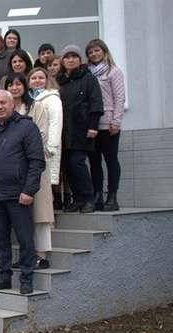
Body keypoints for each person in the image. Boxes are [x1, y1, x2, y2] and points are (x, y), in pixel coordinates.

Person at [0, 90, 45, 295]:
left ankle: (26, 278)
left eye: (3, 103)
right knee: (0, 240)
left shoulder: (27, 127)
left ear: (12, 104)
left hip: (19, 196)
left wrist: (29, 190)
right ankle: (3, 277)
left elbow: (36, 162)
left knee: (25, 239)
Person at [7, 73, 54, 270]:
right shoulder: (6, 109)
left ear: (25, 86)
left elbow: (41, 134)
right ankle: (26, 254)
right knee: (20, 214)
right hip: (14, 169)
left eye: (18, 84)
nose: (15, 87)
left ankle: (41, 255)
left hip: (35, 164)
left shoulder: (37, 107)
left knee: (40, 213)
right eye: (11, 84)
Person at [58, 45, 103, 213]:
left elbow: (96, 102)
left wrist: (93, 125)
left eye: (74, 56)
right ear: (62, 61)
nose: (70, 60)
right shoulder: (60, 81)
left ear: (80, 60)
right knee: (68, 166)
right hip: (65, 131)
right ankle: (78, 199)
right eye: (67, 57)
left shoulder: (89, 78)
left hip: (82, 129)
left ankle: (88, 198)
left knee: (77, 163)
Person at [29, 67, 63, 267]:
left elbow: (56, 124)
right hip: (30, 158)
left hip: (45, 153)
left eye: (41, 77)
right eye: (33, 77)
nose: (37, 80)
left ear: (47, 80)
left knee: (44, 202)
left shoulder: (52, 99)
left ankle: (43, 252)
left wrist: (50, 148)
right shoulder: (30, 100)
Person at [86, 39, 125, 211]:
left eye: (96, 51)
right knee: (94, 162)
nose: (94, 54)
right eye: (90, 52)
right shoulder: (88, 73)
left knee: (111, 160)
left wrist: (116, 120)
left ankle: (112, 196)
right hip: (92, 124)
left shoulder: (113, 71)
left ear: (104, 51)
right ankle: (97, 195)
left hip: (108, 124)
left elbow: (119, 97)